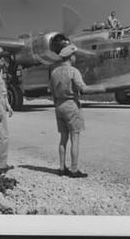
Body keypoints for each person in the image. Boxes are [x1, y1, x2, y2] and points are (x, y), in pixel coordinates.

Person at [49, 44, 105, 178]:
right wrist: (100, 87)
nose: (75, 58)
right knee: (75, 138)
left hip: (59, 106)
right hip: (71, 105)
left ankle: (62, 168)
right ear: (70, 57)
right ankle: (74, 170)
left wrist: (57, 103)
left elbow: (51, 91)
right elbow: (83, 88)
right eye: (74, 56)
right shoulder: (74, 71)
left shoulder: (54, 72)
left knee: (63, 138)